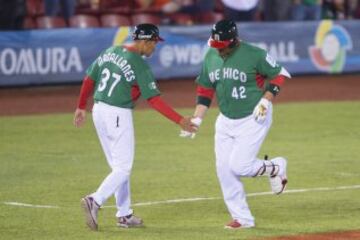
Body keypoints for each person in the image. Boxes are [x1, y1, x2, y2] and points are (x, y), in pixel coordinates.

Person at [74, 23, 197, 231]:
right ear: (145, 41)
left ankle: (124, 214)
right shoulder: (138, 64)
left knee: (118, 168)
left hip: (98, 111)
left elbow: (89, 79)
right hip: (117, 114)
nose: (154, 48)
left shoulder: (111, 51)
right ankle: (94, 200)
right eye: (154, 43)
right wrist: (179, 120)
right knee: (123, 168)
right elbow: (154, 100)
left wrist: (80, 107)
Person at [180, 19, 291, 229]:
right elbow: (205, 89)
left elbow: (279, 75)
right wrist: (197, 118)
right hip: (225, 120)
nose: (218, 50)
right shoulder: (211, 55)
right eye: (216, 45)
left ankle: (276, 167)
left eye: (222, 47)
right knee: (224, 169)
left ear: (234, 41)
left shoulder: (254, 54)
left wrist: (266, 100)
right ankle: (243, 218)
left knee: (240, 166)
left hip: (254, 117)